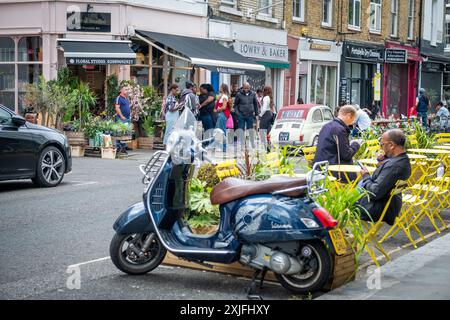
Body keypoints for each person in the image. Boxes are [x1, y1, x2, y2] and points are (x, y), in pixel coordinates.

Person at [357, 129, 411, 225]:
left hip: (377, 209)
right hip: (390, 204)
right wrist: (384, 161)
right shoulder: (403, 160)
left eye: (382, 144)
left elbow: (374, 192)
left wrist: (365, 175)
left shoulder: (393, 166)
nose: (381, 148)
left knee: (341, 204)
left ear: (391, 145)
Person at [313, 105, 361, 169]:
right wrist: (356, 144)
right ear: (348, 116)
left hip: (320, 166)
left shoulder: (326, 126)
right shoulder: (339, 129)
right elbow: (346, 155)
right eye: (353, 119)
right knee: (363, 174)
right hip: (332, 168)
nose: (352, 122)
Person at [234, 82, 259, 148]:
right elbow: (235, 105)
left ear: (249, 87)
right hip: (241, 115)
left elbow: (255, 104)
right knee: (241, 130)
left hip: (250, 114)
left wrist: (257, 114)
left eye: (247, 88)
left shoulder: (253, 94)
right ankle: (242, 144)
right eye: (245, 88)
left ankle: (252, 143)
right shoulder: (239, 94)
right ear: (243, 87)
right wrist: (237, 113)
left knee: (250, 129)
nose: (246, 89)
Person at [214, 84, 231, 152]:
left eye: (220, 87)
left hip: (223, 114)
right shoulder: (221, 96)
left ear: (223, 88)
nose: (219, 88)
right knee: (219, 130)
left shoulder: (224, 96)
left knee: (221, 130)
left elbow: (224, 107)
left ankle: (223, 147)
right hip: (221, 114)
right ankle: (221, 146)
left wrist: (217, 110)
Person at [115, 86, 131, 153]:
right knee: (120, 132)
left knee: (126, 133)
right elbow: (117, 108)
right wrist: (121, 116)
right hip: (121, 118)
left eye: (127, 89)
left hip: (127, 118)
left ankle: (123, 147)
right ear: (121, 90)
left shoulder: (126, 98)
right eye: (125, 89)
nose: (127, 91)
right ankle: (119, 147)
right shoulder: (118, 98)